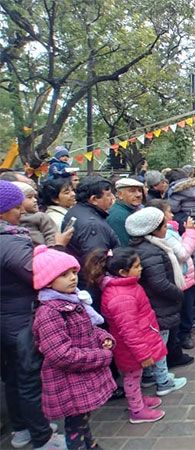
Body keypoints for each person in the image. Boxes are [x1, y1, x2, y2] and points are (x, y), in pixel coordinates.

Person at [0, 181, 68, 450]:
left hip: (7, 317)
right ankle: (42, 436)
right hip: (19, 320)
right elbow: (42, 275)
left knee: (13, 377)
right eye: (16, 207)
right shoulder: (9, 243)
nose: (22, 212)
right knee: (28, 378)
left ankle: (22, 429)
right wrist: (58, 248)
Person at [31, 245, 116, 450]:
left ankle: (90, 444)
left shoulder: (71, 301)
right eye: (64, 274)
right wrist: (101, 356)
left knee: (82, 418)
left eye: (73, 272)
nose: (72, 278)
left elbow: (87, 329)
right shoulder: (49, 313)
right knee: (75, 425)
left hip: (79, 376)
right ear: (48, 281)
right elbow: (61, 354)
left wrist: (103, 337)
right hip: (69, 380)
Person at [84, 248, 167, 424]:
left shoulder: (126, 287)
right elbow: (129, 331)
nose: (141, 268)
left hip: (136, 342)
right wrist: (143, 354)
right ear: (122, 272)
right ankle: (137, 410)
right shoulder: (121, 297)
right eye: (137, 266)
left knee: (135, 376)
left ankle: (138, 400)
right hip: (130, 347)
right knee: (132, 377)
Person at [125, 207, 188, 395]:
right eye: (164, 225)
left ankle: (149, 376)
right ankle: (163, 381)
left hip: (152, 303)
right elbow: (159, 283)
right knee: (159, 344)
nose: (167, 228)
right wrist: (178, 293)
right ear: (152, 229)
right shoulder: (151, 251)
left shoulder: (144, 247)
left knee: (153, 341)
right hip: (158, 305)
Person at [148, 200, 195, 349]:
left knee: (186, 308)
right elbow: (183, 253)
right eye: (169, 212)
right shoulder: (166, 235)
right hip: (181, 277)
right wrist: (191, 232)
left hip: (184, 276)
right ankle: (182, 338)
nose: (172, 214)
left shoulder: (170, 230)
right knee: (184, 310)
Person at [62, 176, 120, 280]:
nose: (112, 197)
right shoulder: (93, 225)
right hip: (89, 282)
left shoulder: (75, 210)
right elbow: (95, 264)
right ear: (94, 199)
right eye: (108, 195)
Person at [13, 181, 57, 246]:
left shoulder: (40, 217)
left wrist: (51, 248)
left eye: (35, 197)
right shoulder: (11, 219)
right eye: (29, 197)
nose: (35, 200)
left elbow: (51, 234)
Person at [107, 178, 145, 246]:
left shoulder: (132, 210)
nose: (138, 195)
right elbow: (123, 247)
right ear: (120, 194)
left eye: (139, 190)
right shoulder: (117, 216)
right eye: (132, 191)